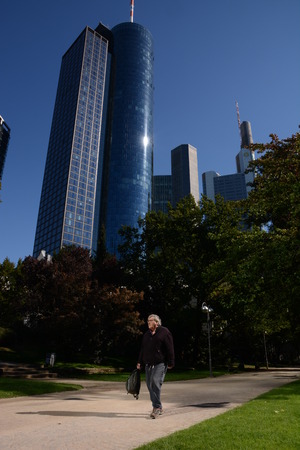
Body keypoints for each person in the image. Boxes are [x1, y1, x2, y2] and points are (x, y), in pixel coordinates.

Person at [137, 314, 175, 419]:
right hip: (148, 364)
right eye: (147, 320)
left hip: (160, 363)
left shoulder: (164, 332)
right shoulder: (146, 335)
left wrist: (171, 361)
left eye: (150, 320)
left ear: (156, 322)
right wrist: (139, 361)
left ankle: (157, 407)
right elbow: (143, 349)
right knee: (149, 385)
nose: (148, 322)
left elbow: (170, 348)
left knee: (155, 382)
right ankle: (158, 407)